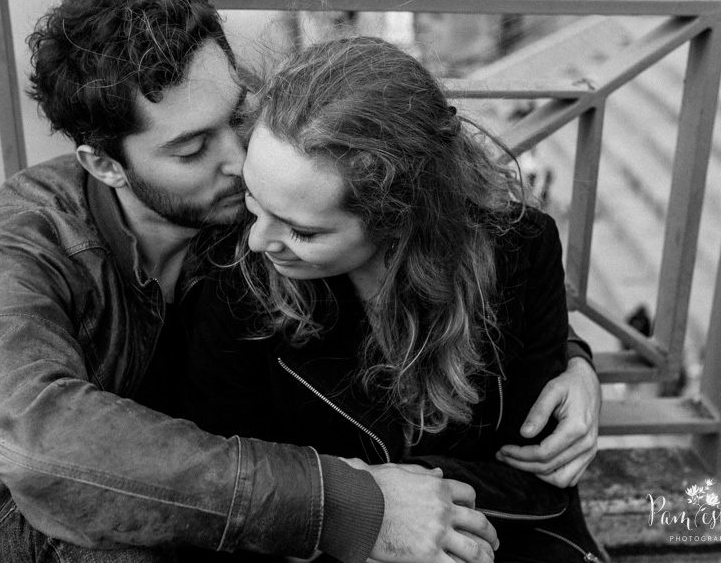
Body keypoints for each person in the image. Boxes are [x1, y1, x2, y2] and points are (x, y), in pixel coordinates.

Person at [0, 0, 601, 563]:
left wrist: (568, 353)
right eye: (192, 149)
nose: (235, 157)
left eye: (240, 113)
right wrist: (350, 502)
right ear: (105, 164)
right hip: (64, 531)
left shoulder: (264, 197)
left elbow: (425, 231)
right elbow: (34, 443)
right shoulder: (19, 243)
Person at [181, 36, 610, 562]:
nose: (255, 239)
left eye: (303, 232)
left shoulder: (519, 249)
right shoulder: (235, 280)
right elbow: (233, 480)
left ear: (399, 220)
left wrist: (416, 503)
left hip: (504, 536)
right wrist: (364, 510)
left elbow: (538, 476)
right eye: (254, 197)